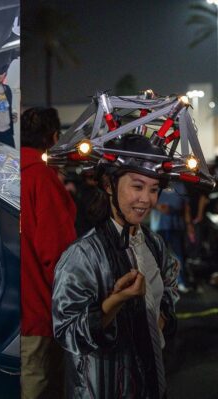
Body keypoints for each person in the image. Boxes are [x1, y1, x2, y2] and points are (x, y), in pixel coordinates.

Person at [52, 134, 180, 398]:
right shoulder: (83, 255)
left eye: (154, 189)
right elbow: (66, 333)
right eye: (137, 186)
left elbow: (169, 289)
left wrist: (160, 319)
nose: (146, 199)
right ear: (109, 185)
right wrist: (115, 302)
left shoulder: (154, 244)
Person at [20, 107, 76, 399]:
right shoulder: (42, 178)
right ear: (53, 137)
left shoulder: (9, 169)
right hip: (39, 310)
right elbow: (57, 253)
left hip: (16, 309)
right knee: (39, 383)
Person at [150, 180, 192, 293]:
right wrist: (158, 207)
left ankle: (181, 282)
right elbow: (148, 200)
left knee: (178, 255)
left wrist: (189, 225)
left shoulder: (180, 186)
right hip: (159, 226)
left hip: (176, 226)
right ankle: (157, 284)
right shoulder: (158, 184)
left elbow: (186, 206)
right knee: (158, 256)